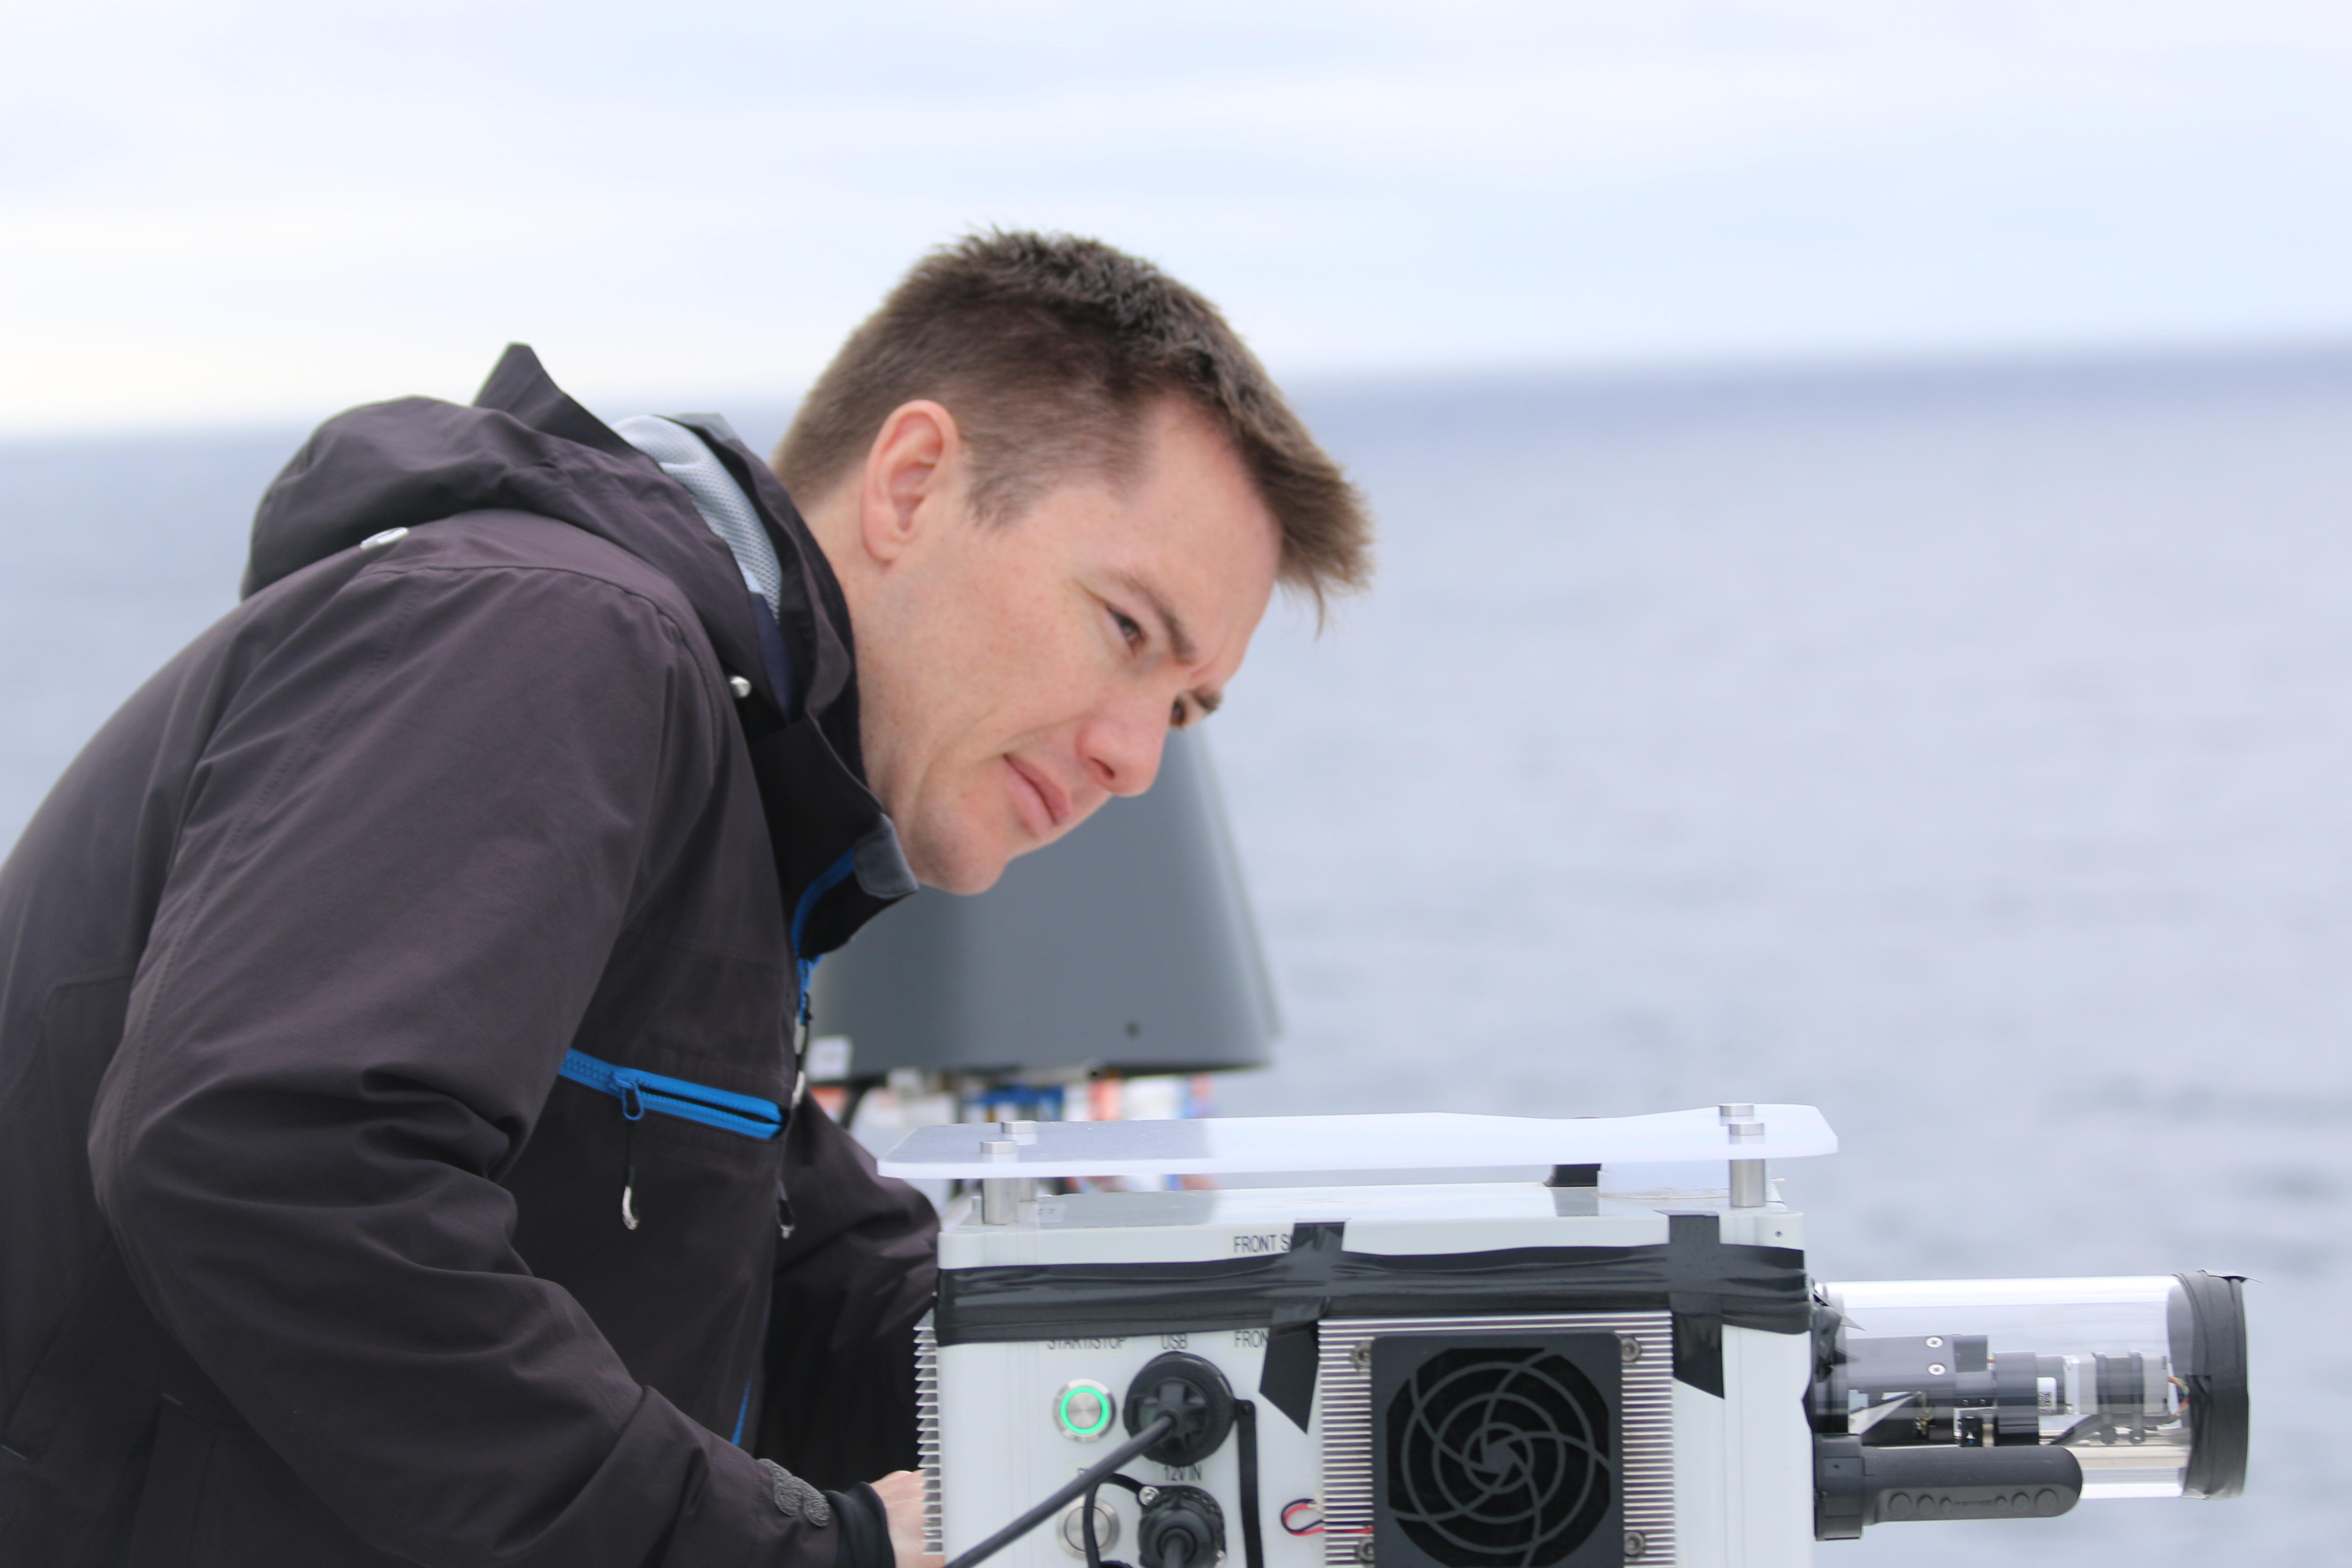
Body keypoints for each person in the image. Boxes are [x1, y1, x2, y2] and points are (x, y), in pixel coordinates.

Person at [0, 231, 1371, 1566]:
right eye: (1128, 630)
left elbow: (809, 1285)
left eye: (1183, 708)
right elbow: (268, 1158)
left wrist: (1275, 1395)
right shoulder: (553, 637)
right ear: (912, 485)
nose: (1135, 759)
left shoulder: (730, 790)